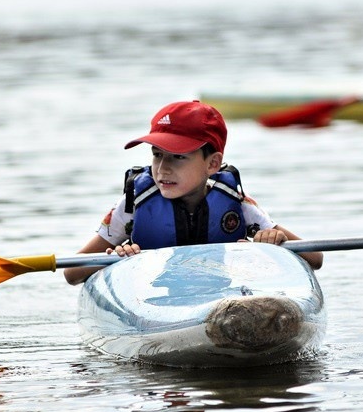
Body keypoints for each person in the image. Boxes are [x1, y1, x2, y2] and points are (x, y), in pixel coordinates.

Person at [63, 100, 323, 285]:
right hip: (152, 300)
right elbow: (72, 273)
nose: (163, 169)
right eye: (157, 155)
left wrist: (272, 243)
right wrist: (114, 260)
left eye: (178, 157)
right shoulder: (133, 204)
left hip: (220, 297)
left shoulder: (237, 202)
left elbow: (314, 257)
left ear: (212, 163)